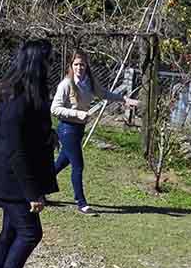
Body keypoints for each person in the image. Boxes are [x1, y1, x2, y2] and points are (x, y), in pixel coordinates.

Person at [0, 39, 59, 268]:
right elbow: (15, 151)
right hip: (10, 178)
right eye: (48, 60)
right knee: (30, 232)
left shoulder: (30, 91)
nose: (51, 65)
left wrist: (47, 135)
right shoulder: (17, 97)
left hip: (14, 177)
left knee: (11, 229)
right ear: (36, 63)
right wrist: (32, 194)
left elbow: (30, 132)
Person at [51, 49, 139, 215]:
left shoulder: (88, 82)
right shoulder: (65, 84)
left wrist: (125, 99)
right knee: (78, 165)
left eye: (82, 64)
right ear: (71, 65)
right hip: (67, 129)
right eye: (76, 64)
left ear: (87, 65)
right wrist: (77, 113)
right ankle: (81, 202)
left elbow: (103, 93)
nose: (79, 67)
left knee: (61, 163)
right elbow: (54, 109)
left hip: (78, 129)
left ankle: (39, 187)